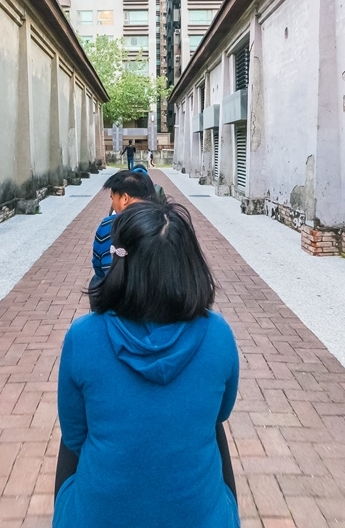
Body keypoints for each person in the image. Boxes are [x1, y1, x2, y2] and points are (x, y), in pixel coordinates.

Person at [55, 200, 240, 528]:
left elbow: (74, 437)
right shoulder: (218, 334)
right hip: (204, 519)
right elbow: (221, 413)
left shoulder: (82, 336)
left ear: (120, 263)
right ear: (190, 264)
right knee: (211, 427)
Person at [89, 169, 155, 305]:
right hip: (158, 296)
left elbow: (99, 268)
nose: (113, 203)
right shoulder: (164, 221)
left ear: (124, 198)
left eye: (113, 198)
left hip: (116, 297)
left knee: (96, 280)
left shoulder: (108, 225)